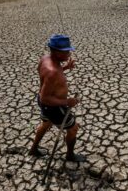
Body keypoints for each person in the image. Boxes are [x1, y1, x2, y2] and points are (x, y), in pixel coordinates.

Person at [29, 34, 85, 162]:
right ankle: (70, 156)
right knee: (73, 128)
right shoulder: (53, 71)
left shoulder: (46, 59)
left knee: (45, 124)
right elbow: (45, 98)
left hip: (46, 105)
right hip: (54, 107)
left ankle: (33, 149)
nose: (69, 53)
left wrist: (66, 67)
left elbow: (50, 77)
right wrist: (67, 101)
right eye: (66, 51)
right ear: (56, 52)